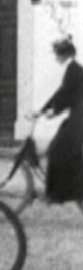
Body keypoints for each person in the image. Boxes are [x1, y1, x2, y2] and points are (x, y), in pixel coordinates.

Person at [30, 36, 83, 202]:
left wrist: (52, 111)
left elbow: (64, 95)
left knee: (56, 150)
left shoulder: (73, 70)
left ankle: (58, 195)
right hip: (77, 116)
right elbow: (61, 94)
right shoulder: (73, 69)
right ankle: (65, 192)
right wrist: (44, 110)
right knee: (61, 150)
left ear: (65, 54)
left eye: (57, 54)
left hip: (79, 119)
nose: (56, 58)